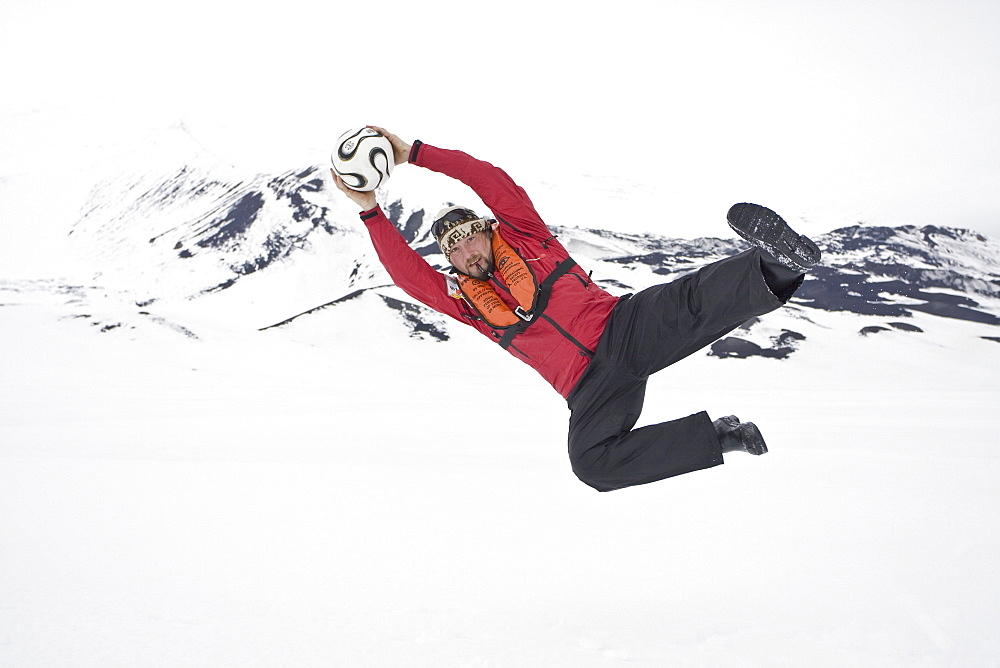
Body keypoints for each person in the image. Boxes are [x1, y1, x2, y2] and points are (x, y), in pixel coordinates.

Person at [331, 126, 821, 492]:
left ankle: (779, 263)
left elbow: (488, 179)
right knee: (592, 465)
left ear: (486, 230)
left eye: (469, 237)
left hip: (620, 328)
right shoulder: (466, 304)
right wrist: (370, 209)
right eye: (452, 250)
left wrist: (411, 152)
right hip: (590, 390)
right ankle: (720, 439)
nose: (465, 252)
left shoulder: (528, 237)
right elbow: (406, 275)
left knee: (691, 304)